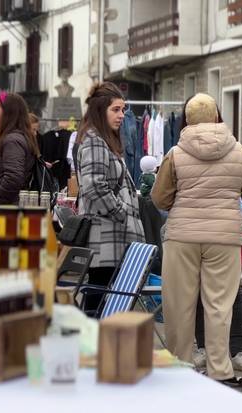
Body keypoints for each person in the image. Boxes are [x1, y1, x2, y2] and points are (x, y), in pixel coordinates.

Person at [152, 93, 242, 387]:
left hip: (183, 236)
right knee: (220, 305)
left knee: (179, 304)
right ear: (218, 115)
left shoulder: (176, 153)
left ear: (187, 119)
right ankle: (221, 370)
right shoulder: (240, 151)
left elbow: (159, 197)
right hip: (225, 236)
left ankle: (180, 367)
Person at [76, 82, 145, 311]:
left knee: (105, 300)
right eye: (115, 109)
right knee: (98, 300)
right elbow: (93, 186)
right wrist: (121, 212)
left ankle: (98, 345)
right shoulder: (95, 140)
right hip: (105, 235)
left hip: (111, 235)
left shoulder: (105, 140)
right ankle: (92, 346)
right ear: (100, 110)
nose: (122, 115)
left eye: (123, 110)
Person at [0, 93, 39, 211]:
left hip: (3, 214)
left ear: (9, 113)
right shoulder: (14, 138)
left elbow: (13, 178)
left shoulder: (12, 140)